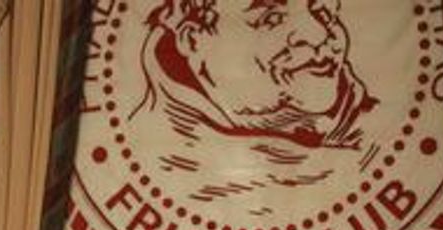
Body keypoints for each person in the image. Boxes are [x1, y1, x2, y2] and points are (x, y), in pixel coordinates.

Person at [135, 0, 377, 150]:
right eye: (272, 18)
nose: (318, 34)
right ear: (194, 40)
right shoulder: (151, 147)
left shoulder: (377, 129)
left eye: (322, 10)